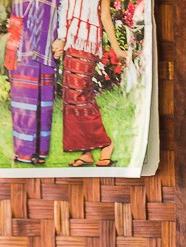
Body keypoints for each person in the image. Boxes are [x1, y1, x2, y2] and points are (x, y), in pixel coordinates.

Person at [51, 0, 127, 167]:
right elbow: (63, 10)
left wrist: (116, 48)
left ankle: (106, 143)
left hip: (87, 42)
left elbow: (105, 16)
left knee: (80, 94)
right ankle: (86, 152)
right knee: (71, 98)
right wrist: (61, 38)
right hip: (70, 43)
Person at [5, 0, 62, 164]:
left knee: (43, 103)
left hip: (46, 49)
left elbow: (64, 12)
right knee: (23, 102)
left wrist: (62, 38)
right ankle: (23, 152)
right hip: (21, 49)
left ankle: (40, 152)